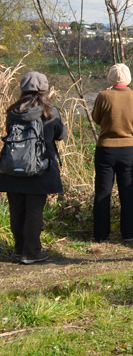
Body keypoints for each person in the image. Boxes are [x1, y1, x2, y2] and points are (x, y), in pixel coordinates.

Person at [0, 71, 67, 264]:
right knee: (34, 211)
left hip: (12, 167)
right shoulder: (50, 112)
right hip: (40, 168)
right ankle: (31, 253)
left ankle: (19, 248)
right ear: (45, 90)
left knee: (17, 210)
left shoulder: (12, 112)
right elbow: (60, 135)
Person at [91, 63, 133, 243]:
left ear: (110, 78)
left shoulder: (103, 96)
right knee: (127, 193)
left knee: (102, 192)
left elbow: (96, 118)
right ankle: (129, 233)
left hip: (105, 148)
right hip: (128, 148)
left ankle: (100, 234)